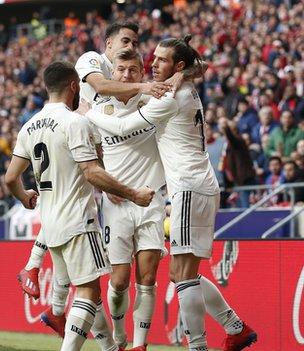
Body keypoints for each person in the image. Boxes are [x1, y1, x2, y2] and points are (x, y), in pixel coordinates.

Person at [82, 35, 257, 351]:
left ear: (177, 64)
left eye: (162, 60)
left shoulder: (169, 98)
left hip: (189, 187)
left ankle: (199, 346)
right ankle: (235, 327)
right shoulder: (179, 86)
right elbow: (198, 65)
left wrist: (86, 110)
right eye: (154, 57)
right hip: (196, 186)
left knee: (183, 276)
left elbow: (122, 128)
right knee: (180, 274)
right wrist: (183, 72)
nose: (153, 63)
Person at [5, 60, 154, 351]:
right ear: (74, 86)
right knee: (87, 293)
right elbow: (91, 172)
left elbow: (11, 177)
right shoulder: (75, 122)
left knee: (91, 292)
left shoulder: (29, 126)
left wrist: (24, 197)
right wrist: (133, 194)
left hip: (50, 226)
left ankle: (110, 347)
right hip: (78, 222)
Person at [88, 48, 167, 351]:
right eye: (121, 70)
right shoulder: (99, 107)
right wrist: (106, 183)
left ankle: (140, 345)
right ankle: (119, 337)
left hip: (151, 200)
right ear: (113, 73)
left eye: (133, 70)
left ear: (141, 73)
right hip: (117, 204)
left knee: (147, 277)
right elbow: (93, 152)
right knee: (119, 281)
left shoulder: (151, 102)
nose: (126, 75)